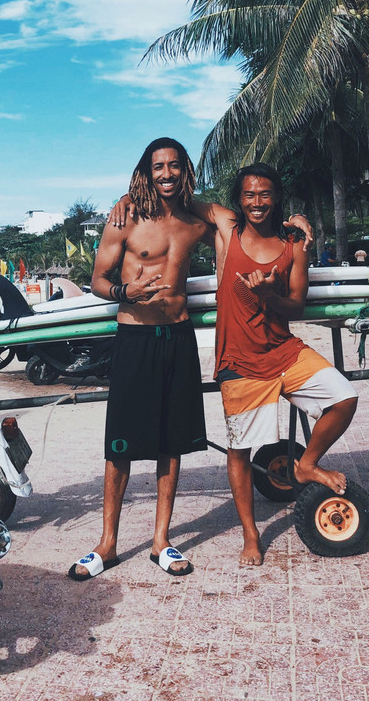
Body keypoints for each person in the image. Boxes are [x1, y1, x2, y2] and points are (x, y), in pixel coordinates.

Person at [72, 139, 313, 581]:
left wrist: (295, 217)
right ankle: (108, 543)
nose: (166, 174)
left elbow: (253, 217)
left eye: (174, 166)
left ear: (186, 171)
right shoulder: (125, 218)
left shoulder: (197, 219)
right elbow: (98, 282)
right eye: (158, 167)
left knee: (171, 444)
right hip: (135, 337)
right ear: (146, 171)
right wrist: (129, 292)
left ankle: (161, 541)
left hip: (178, 337)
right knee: (120, 446)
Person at [189, 164, 357, 567]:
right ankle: (250, 534)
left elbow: (296, 305)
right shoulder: (225, 230)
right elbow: (177, 199)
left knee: (344, 397)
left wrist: (267, 295)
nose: (257, 202)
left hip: (284, 350)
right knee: (240, 450)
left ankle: (307, 464)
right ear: (239, 199)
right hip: (239, 361)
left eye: (265, 194)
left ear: (277, 196)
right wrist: (127, 202)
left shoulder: (293, 244)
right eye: (249, 194)